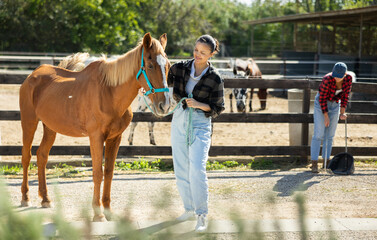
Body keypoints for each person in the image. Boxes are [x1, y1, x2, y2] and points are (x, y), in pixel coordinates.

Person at [167, 35, 225, 232]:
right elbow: (159, 81)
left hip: (201, 123)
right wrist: (146, 91)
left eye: (203, 52)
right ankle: (189, 209)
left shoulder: (215, 77)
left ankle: (202, 215)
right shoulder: (180, 67)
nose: (197, 55)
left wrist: (200, 105)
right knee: (181, 169)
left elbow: (218, 108)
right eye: (196, 50)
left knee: (197, 170)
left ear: (211, 54)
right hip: (179, 120)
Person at [310, 62, 353, 173]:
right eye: (335, 75)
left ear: (345, 74)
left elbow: (345, 95)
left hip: (335, 105)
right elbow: (322, 99)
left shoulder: (348, 79)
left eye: (339, 76)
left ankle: (326, 163)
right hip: (321, 104)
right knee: (318, 134)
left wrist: (342, 112)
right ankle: (314, 163)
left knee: (330, 135)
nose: (336, 78)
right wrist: (325, 116)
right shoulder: (327, 79)